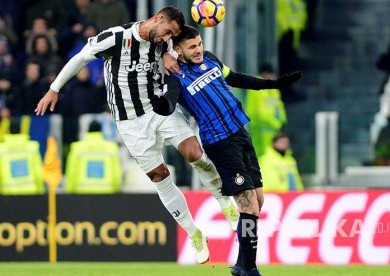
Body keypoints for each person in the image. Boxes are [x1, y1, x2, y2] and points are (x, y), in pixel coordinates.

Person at [35, 6, 238, 264]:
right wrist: (55, 89)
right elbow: (81, 58)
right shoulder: (115, 38)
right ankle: (194, 233)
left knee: (194, 153)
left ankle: (226, 204)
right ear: (157, 19)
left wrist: (168, 52)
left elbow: (182, 50)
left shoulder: (163, 43)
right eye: (166, 32)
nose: (166, 39)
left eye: (170, 37)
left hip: (159, 109)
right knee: (159, 176)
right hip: (129, 122)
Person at [153, 25, 302, 276]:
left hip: (241, 133)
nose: (199, 49)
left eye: (199, 44)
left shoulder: (210, 58)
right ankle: (248, 267)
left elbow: (234, 78)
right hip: (220, 143)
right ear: (177, 50)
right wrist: (162, 105)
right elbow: (169, 101)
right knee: (248, 207)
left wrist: (273, 84)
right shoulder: (176, 76)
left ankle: (242, 264)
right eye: (192, 47)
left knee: (258, 201)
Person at [65, 120, 122, 193]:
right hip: (107, 193)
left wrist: (69, 190)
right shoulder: (111, 148)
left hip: (82, 193)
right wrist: (117, 189)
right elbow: (117, 173)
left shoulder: (77, 148)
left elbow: (71, 172)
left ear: (88, 130)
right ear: (101, 131)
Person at [245, 63, 287, 158]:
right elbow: (260, 111)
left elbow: (279, 106)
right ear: (266, 74)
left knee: (272, 155)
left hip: (274, 128)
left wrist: (282, 121)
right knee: (261, 153)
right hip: (260, 128)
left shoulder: (274, 89)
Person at [0, 120, 44, 195]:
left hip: (8, 193)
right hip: (30, 192)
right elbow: (38, 171)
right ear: (21, 130)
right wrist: (40, 190)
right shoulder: (32, 147)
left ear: (8, 131)